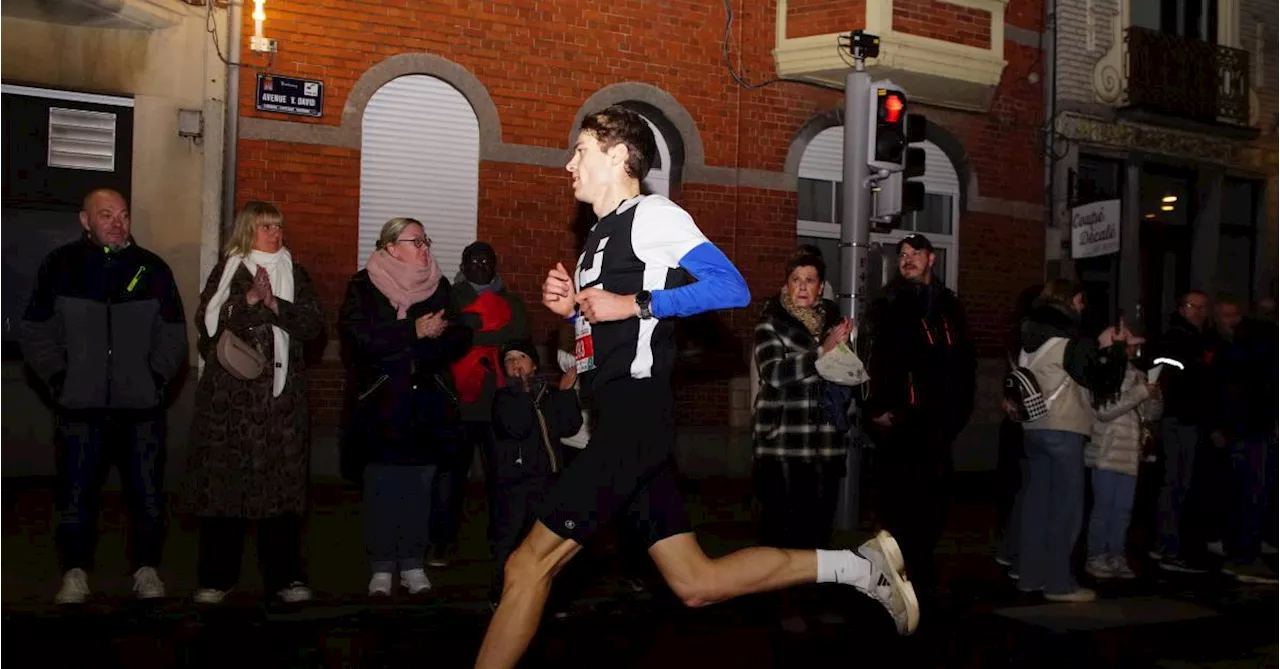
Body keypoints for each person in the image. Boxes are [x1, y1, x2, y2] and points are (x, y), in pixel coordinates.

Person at [473, 105, 918, 669]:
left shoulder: (652, 215)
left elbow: (729, 286)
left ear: (617, 155)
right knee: (696, 582)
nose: (569, 165)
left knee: (525, 566)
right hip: (622, 422)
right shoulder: (595, 241)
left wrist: (632, 302)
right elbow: (607, 337)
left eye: (580, 151)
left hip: (635, 423)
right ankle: (861, 566)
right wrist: (574, 311)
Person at [21, 188, 188, 604]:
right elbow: (36, 332)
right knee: (76, 496)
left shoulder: (153, 270)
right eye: (106, 214)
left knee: (147, 497)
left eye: (123, 215)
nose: (117, 223)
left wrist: (155, 381)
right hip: (80, 408)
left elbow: (172, 336)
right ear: (85, 220)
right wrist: (60, 378)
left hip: (142, 411)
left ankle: (146, 569)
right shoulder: (59, 267)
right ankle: (75, 573)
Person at [181, 201, 324, 604]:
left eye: (278, 226)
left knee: (281, 497)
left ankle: (285, 577)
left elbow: (314, 326)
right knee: (224, 492)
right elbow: (207, 326)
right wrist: (247, 302)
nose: (275, 233)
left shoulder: (295, 272)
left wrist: (276, 304)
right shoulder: (229, 270)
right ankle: (215, 578)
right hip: (230, 406)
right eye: (266, 226)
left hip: (282, 406)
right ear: (247, 230)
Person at [340, 217, 472, 596]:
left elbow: (461, 335)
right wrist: (411, 331)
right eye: (416, 241)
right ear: (390, 247)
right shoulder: (363, 286)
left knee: (420, 487)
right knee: (382, 487)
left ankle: (413, 563)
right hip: (381, 404)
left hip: (427, 405)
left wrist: (433, 339)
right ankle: (381, 567)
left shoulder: (440, 285)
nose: (425, 247)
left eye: (426, 240)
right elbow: (358, 339)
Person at [862, 233, 975, 597]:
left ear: (931, 259)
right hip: (899, 424)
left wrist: (957, 412)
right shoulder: (886, 304)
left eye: (915, 253)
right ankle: (894, 575)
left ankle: (921, 574)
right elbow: (872, 359)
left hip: (938, 425)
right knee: (896, 502)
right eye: (903, 254)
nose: (907, 259)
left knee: (933, 502)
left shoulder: (949, 307)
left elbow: (963, 363)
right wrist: (877, 408)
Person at [1015, 279, 1131, 602]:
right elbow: (1103, 383)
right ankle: (1059, 583)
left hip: (1033, 429)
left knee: (1036, 506)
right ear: (1070, 301)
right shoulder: (1069, 340)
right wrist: (1115, 349)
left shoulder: (1028, 339)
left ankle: (1030, 577)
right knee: (1066, 508)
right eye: (1080, 302)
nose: (1082, 308)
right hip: (1064, 429)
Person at [432, 241, 529, 568]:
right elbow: (447, 338)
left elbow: (519, 336)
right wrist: (492, 336)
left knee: (502, 479)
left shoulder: (511, 301)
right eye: (474, 260)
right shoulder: (449, 297)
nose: (481, 265)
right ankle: (442, 543)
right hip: (457, 403)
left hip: (497, 403)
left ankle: (501, 542)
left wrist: (474, 334)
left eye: (487, 260)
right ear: (464, 264)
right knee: (449, 477)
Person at [752, 250, 852, 549]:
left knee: (819, 530)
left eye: (810, 280)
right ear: (786, 286)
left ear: (821, 286)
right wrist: (823, 352)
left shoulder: (833, 325)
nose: (803, 287)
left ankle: (815, 589)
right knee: (781, 531)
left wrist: (849, 351)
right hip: (784, 442)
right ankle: (778, 590)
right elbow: (774, 373)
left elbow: (847, 376)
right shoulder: (770, 323)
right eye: (796, 280)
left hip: (827, 444)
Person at [488, 339, 582, 603]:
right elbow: (516, 427)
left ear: (534, 363)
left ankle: (552, 599)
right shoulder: (504, 398)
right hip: (515, 485)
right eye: (509, 360)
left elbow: (569, 426)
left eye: (521, 357)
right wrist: (521, 391)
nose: (515, 363)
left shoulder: (548, 394)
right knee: (509, 542)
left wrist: (565, 394)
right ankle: (503, 597)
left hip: (549, 482)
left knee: (551, 543)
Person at [1084, 342, 1162, 580]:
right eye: (1127, 346)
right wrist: (1139, 393)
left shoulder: (1138, 374)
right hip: (1106, 452)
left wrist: (1154, 397)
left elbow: (1150, 415)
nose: (1132, 351)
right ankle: (1096, 555)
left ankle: (1116, 555)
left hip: (1129, 453)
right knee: (1104, 508)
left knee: (1123, 510)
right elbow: (1104, 410)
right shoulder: (1102, 372)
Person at [1148, 291, 1212, 573]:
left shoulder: (1200, 338)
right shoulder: (1176, 338)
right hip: (1178, 419)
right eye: (1192, 306)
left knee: (1178, 483)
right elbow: (1170, 371)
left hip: (1189, 418)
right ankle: (1168, 547)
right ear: (1181, 308)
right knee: (1175, 483)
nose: (1198, 311)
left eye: (1202, 307)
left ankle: (1166, 543)